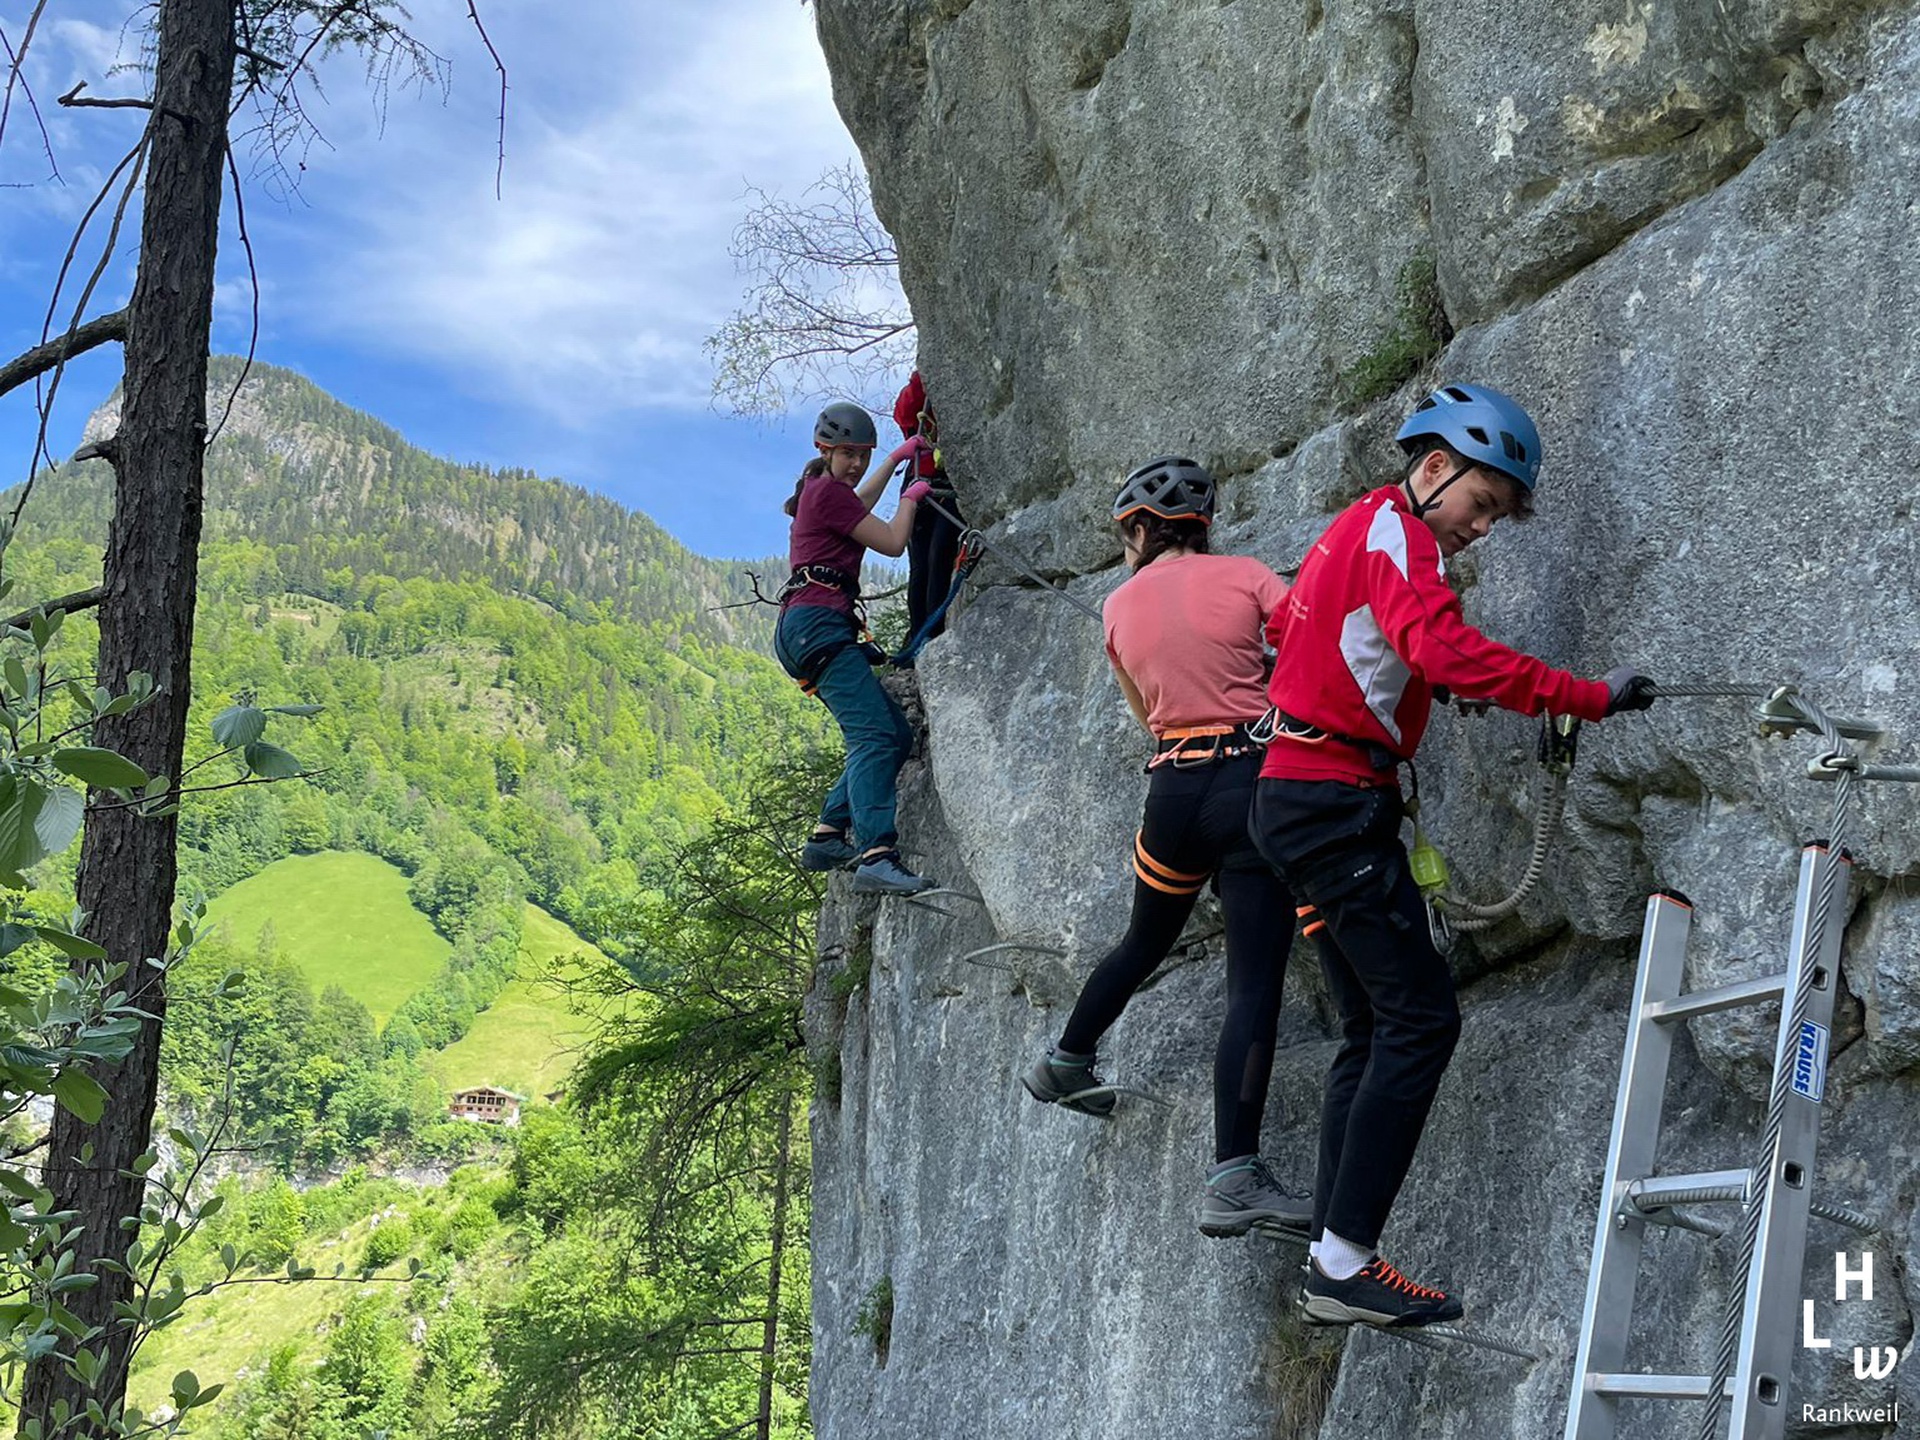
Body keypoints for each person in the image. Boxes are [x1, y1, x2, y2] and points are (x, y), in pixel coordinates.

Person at [1248, 383, 1656, 1327]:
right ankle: (1346, 1262)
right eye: (1482, 503)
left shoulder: (1355, 528)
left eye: (1498, 516)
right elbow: (1443, 650)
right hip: (1331, 808)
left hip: (1298, 795)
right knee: (1422, 1022)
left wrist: (1390, 687)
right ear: (1434, 467)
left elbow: (1304, 636)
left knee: (1370, 1027)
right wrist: (1581, 695)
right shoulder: (1402, 535)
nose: (1483, 528)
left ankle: (1328, 1253)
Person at [1022, 456, 1312, 1240]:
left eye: (1126, 533)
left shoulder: (1117, 609)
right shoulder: (1251, 577)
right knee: (1252, 983)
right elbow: (1309, 659)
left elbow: (1144, 717)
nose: (1125, 547)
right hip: (1252, 784)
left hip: (1174, 793)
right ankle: (1233, 1175)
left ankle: (1067, 1057)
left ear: (1147, 528)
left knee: (1145, 939)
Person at [774, 401, 938, 896]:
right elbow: (890, 541)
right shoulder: (827, 493)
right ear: (824, 448)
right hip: (818, 627)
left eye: (863, 455)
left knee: (893, 734)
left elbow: (859, 507)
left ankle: (828, 836)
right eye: (848, 454)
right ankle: (877, 853)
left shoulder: (824, 492)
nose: (856, 464)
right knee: (873, 738)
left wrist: (892, 462)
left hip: (808, 629)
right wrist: (912, 497)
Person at [892, 370, 966, 654]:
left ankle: (931, 633)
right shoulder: (917, 403)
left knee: (939, 556)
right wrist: (920, 379)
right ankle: (919, 633)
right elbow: (905, 414)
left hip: (946, 486)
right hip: (919, 485)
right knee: (921, 565)